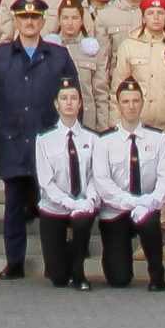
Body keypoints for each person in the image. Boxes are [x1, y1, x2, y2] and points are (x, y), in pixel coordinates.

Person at [0, 0, 75, 279]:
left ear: (43, 20)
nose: (29, 22)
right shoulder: (0, 56)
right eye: (24, 17)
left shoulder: (58, 56)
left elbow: (73, 100)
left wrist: (72, 142)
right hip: (12, 142)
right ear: (15, 21)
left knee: (52, 204)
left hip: (50, 144)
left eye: (34, 17)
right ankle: (15, 262)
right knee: (14, 206)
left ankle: (54, 261)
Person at [92, 73, 165, 291]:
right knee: (119, 279)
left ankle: (157, 274)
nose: (131, 106)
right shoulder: (104, 141)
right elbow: (103, 183)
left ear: (142, 103)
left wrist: (150, 202)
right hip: (115, 211)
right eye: (126, 102)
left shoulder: (158, 139)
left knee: (149, 221)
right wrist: (132, 202)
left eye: (135, 101)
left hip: (147, 206)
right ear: (118, 105)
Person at [32, 79, 99, 290]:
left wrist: (88, 201)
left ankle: (79, 271)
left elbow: (96, 177)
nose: (69, 103)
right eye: (64, 98)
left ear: (80, 104)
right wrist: (70, 203)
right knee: (58, 278)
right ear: (56, 104)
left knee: (82, 220)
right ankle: (65, 258)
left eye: (73, 98)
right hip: (54, 208)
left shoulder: (93, 137)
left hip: (83, 206)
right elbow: (46, 183)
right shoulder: (44, 139)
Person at [113, 0, 165, 131]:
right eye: (150, 13)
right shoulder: (128, 46)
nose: (156, 17)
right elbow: (116, 90)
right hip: (136, 125)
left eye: (160, 13)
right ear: (143, 19)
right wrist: (116, 125)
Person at [53, 0, 115, 129]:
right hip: (55, 123)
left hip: (87, 123)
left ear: (81, 21)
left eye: (75, 18)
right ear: (59, 21)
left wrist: (103, 130)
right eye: (65, 18)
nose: (70, 23)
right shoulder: (49, 49)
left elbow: (101, 94)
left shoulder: (92, 50)